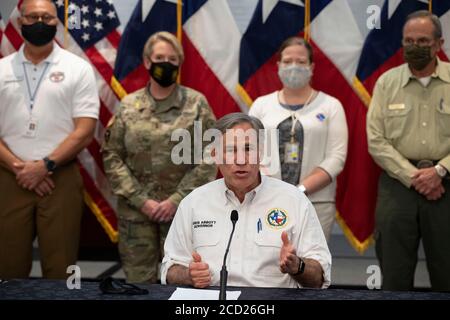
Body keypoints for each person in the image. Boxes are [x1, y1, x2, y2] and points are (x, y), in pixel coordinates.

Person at [161, 113, 331, 289]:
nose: (241, 160)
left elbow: (319, 278)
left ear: (261, 152)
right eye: (230, 150)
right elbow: (169, 269)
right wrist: (189, 275)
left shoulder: (294, 200)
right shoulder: (194, 203)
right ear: (215, 155)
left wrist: (297, 266)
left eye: (248, 149)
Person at [102, 31, 217, 284]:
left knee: (183, 281)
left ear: (180, 63)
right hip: (136, 214)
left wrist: (176, 200)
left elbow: (210, 156)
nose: (166, 63)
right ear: (146, 61)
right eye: (159, 57)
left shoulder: (197, 104)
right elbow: (111, 156)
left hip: (183, 212)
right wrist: (142, 201)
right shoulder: (128, 106)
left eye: (172, 59)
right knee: (138, 284)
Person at [0, 0, 99, 279]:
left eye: (47, 17)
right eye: (32, 17)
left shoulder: (77, 68)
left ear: (57, 22)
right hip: (9, 177)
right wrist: (22, 169)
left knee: (62, 266)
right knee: (7, 266)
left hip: (60, 177)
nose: (40, 23)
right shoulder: (2, 69)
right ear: (20, 23)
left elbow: (85, 129)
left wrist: (44, 166)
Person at [367, 10, 450, 291]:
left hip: (446, 183)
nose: (415, 47)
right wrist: (416, 176)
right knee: (394, 272)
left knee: (447, 270)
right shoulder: (387, 83)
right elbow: (376, 140)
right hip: (398, 185)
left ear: (439, 43)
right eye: (409, 41)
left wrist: (439, 171)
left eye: (423, 41)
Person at [249, 37, 348, 242]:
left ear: (311, 67)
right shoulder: (261, 105)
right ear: (278, 66)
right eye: (287, 61)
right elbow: (250, 150)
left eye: (301, 61)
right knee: (266, 266)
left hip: (315, 203)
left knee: (311, 268)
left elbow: (336, 157)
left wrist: (299, 190)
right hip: (267, 201)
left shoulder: (331, 106)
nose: (294, 66)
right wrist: (274, 189)